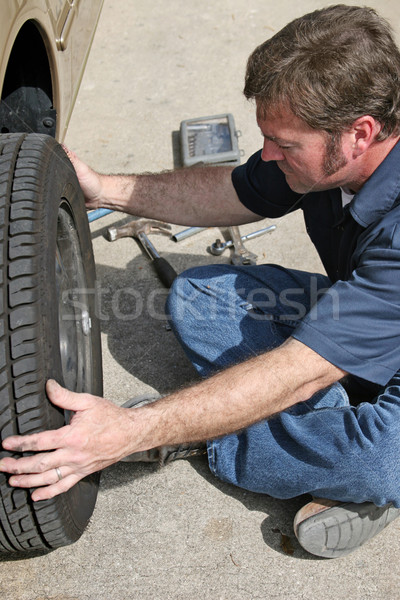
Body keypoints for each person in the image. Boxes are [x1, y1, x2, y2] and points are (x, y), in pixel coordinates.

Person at [1, 3, 400, 558]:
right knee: (199, 293)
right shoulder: (332, 156)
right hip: (370, 309)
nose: (267, 154)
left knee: (378, 457)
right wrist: (105, 187)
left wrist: (137, 430)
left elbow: (299, 373)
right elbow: (235, 191)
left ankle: (344, 469)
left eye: (284, 145)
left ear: (360, 133)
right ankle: (328, 457)